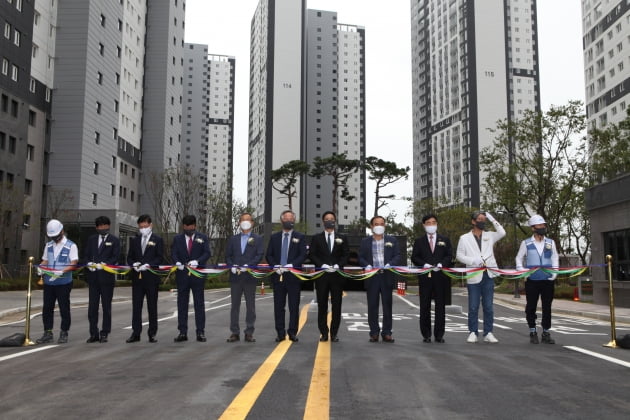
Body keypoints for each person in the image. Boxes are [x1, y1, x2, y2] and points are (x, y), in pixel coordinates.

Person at [456, 211, 505, 343]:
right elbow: (459, 256)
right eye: (479, 219)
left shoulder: (490, 235)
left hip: (488, 275)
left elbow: (502, 233)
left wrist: (492, 218)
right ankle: (473, 332)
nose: (482, 221)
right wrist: (473, 261)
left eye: (484, 219)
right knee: (473, 306)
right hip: (474, 275)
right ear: (473, 221)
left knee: (488, 306)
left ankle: (488, 332)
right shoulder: (464, 238)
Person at [515, 215, 559, 344]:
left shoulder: (550, 242)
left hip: (547, 279)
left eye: (543, 225)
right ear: (533, 228)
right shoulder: (526, 243)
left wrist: (554, 272)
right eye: (539, 226)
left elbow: (555, 257)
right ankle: (532, 331)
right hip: (532, 280)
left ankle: (546, 332)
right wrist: (523, 271)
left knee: (547, 307)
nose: (542, 228)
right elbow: (519, 258)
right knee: (531, 307)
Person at [265, 210, 307, 342]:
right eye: (287, 218)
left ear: (294, 220)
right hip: (278, 276)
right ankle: (280, 333)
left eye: (291, 218)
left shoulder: (300, 236)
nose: (289, 220)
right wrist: (275, 266)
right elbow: (269, 255)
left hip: (293, 276)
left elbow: (303, 255)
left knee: (294, 306)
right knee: (279, 306)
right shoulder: (275, 237)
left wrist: (292, 265)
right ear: (282, 220)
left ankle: (293, 332)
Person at [358, 215, 401, 343]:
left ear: (385, 225)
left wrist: (390, 264)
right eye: (376, 224)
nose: (379, 226)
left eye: (381, 224)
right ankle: (374, 332)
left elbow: (398, 255)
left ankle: (387, 332)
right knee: (372, 306)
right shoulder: (365, 241)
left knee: (387, 306)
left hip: (386, 276)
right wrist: (367, 265)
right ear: (371, 226)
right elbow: (360, 257)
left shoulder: (392, 240)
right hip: (372, 277)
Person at [411, 214, 453, 343]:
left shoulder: (444, 239)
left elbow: (449, 255)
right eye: (428, 223)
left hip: (441, 277)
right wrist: (424, 264)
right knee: (425, 306)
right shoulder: (419, 241)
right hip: (425, 277)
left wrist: (442, 264)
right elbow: (415, 257)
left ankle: (439, 334)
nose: (431, 225)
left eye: (434, 222)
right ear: (424, 225)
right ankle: (426, 334)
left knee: (440, 307)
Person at [308, 211, 350, 342]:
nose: (329, 221)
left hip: (337, 276)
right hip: (322, 276)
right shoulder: (316, 238)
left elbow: (346, 254)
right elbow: (312, 254)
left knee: (337, 305)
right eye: (327, 219)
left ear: (335, 221)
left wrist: (339, 264)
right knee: (322, 305)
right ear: (323, 222)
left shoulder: (342, 237)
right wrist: (322, 265)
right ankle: (324, 332)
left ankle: (334, 333)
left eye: (332, 219)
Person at [36, 219, 79, 344]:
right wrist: (41, 268)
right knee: (47, 308)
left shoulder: (71, 246)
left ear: (62, 231)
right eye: (52, 236)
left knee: (64, 308)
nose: (54, 238)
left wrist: (62, 271)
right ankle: (47, 332)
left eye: (56, 236)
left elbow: (74, 264)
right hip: (49, 283)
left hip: (64, 283)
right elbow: (45, 260)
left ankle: (64, 332)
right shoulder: (48, 245)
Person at [172, 215, 212, 342]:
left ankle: (200, 332)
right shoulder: (177, 239)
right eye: (186, 227)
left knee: (199, 304)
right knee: (182, 304)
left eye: (191, 227)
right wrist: (177, 262)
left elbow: (207, 253)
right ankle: (182, 332)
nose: (188, 229)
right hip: (182, 275)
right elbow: (174, 253)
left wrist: (198, 261)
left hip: (197, 275)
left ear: (195, 226)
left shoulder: (202, 238)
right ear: (183, 226)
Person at [225, 213, 264, 343]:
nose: (245, 222)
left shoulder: (257, 238)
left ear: (252, 223)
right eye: (243, 220)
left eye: (248, 220)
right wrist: (232, 265)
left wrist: (249, 265)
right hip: (235, 276)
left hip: (249, 276)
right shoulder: (233, 239)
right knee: (234, 306)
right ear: (239, 222)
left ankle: (249, 332)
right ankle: (234, 332)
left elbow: (259, 254)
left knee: (250, 306)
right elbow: (228, 255)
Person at [126, 214, 164, 343]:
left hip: (151, 278)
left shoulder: (157, 240)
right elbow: (129, 257)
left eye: (145, 226)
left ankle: (152, 333)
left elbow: (160, 257)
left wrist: (150, 265)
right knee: (136, 307)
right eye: (141, 226)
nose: (143, 228)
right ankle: (136, 333)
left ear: (150, 225)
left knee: (152, 306)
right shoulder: (135, 240)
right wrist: (134, 264)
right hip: (137, 278)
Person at [84, 216, 121, 343]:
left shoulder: (114, 240)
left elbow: (116, 256)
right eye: (100, 226)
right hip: (93, 278)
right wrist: (89, 264)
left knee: (106, 307)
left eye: (105, 226)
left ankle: (105, 332)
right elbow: (86, 255)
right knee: (92, 307)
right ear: (96, 227)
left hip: (107, 278)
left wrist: (104, 264)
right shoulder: (91, 239)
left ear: (109, 226)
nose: (103, 228)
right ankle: (93, 333)